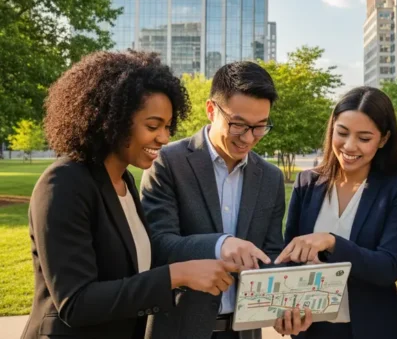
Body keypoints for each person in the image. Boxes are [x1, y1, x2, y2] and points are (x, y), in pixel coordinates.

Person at [22, 51, 241, 339]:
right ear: (111, 119)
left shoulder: (124, 181)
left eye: (167, 127)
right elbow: (75, 303)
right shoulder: (64, 183)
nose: (163, 138)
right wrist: (177, 274)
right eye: (152, 126)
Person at [140, 61, 312, 339]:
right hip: (179, 329)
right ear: (211, 110)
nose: (248, 138)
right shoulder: (167, 162)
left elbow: (269, 253)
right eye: (238, 125)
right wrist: (220, 245)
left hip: (244, 331)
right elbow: (158, 245)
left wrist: (288, 301)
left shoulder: (270, 177)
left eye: (260, 127)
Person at [275, 86, 397, 339]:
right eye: (342, 133)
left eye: (364, 138)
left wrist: (331, 242)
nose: (349, 146)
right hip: (312, 329)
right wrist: (284, 313)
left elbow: (387, 268)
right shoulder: (307, 183)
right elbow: (289, 259)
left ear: (383, 139)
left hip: (373, 329)